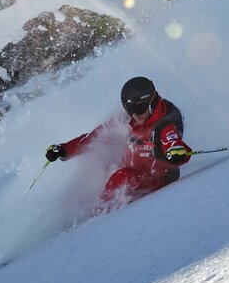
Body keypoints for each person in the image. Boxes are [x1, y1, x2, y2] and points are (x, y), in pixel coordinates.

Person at [45, 76, 192, 209]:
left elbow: (175, 144)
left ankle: (98, 217)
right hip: (132, 165)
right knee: (103, 151)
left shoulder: (164, 125)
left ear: (151, 102)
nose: (135, 115)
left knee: (123, 176)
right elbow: (96, 136)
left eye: (138, 109)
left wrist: (177, 153)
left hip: (155, 178)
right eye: (130, 110)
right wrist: (64, 149)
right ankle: (81, 205)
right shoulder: (132, 118)